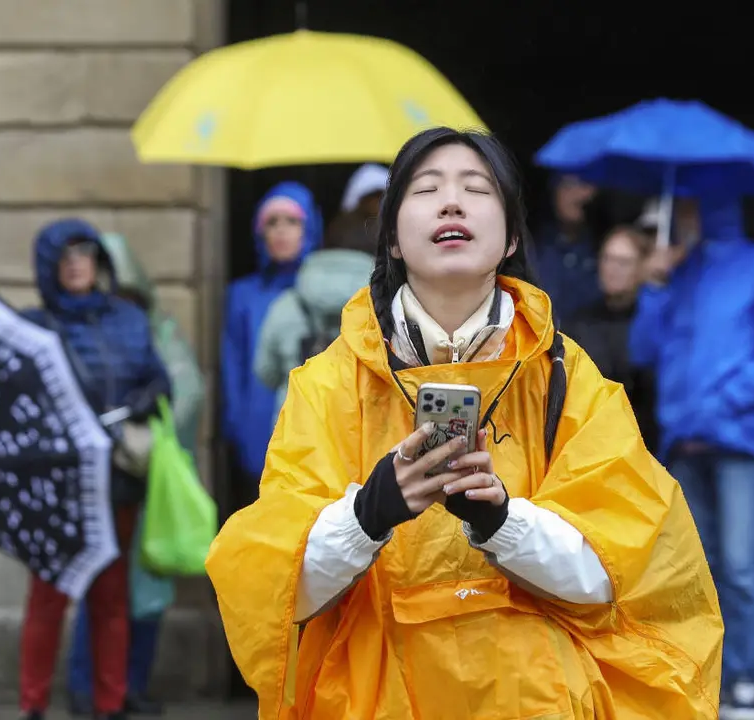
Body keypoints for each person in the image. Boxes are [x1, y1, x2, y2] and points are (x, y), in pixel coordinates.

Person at [206, 127, 723, 720]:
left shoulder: (566, 376)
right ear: (393, 239)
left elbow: (618, 575)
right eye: (426, 189)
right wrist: (370, 512)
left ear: (509, 239)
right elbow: (273, 592)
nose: (451, 202)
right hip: (377, 692)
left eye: (476, 189)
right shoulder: (328, 384)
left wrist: (502, 519)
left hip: (534, 698)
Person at [630, 194, 754, 719]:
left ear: (710, 208)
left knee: (744, 568)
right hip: (686, 442)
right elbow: (643, 350)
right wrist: (654, 285)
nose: (679, 217)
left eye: (686, 207)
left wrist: (720, 402)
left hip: (736, 441)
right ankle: (709, 678)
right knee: (697, 572)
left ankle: (750, 682)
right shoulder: (679, 272)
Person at [17, 220, 171, 720]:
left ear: (99, 261)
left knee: (110, 598)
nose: (76, 263)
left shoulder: (128, 319)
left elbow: (159, 377)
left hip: (117, 477)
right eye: (64, 257)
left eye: (85, 253)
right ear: (49, 268)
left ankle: (109, 705)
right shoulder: (34, 327)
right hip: (57, 485)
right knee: (49, 598)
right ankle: (33, 706)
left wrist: (146, 398)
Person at [66, 232, 206, 717]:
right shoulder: (87, 329)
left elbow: (188, 390)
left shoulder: (160, 331)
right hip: (103, 475)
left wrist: (149, 411)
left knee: (144, 591)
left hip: (151, 478)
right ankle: (88, 686)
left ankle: (129, 686)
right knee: (100, 583)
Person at [221, 182, 323, 490]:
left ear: (309, 228)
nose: (281, 231)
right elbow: (232, 363)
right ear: (259, 232)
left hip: (313, 424)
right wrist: (237, 425)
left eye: (292, 221)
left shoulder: (322, 293)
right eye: (271, 222)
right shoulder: (242, 295)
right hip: (257, 421)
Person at [255, 210, 376, 420]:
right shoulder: (387, 304)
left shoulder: (286, 304)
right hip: (361, 431)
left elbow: (265, 371)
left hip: (296, 432)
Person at [564, 224, 659, 452]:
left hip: (644, 446)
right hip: (590, 444)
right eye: (607, 259)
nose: (613, 269)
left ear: (641, 269)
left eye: (623, 262)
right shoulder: (579, 322)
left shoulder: (655, 321)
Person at [532, 173, 601, 327]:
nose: (577, 195)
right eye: (568, 186)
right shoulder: (533, 246)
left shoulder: (601, 248)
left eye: (585, 185)